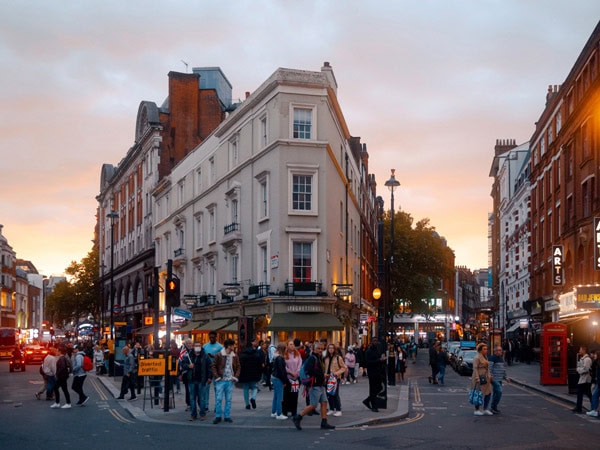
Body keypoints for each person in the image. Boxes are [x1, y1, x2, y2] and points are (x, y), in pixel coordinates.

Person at [292, 341, 335, 430]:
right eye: (318, 349)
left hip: (320, 384)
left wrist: (323, 375)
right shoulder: (312, 358)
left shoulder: (320, 358)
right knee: (313, 405)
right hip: (314, 385)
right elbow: (308, 370)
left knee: (324, 403)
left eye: (321, 349)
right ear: (314, 349)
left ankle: (324, 422)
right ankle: (298, 417)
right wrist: (321, 375)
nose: (320, 350)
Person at [211, 338, 240, 424]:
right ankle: (218, 416)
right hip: (221, 380)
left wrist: (235, 377)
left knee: (228, 399)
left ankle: (227, 416)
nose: (233, 347)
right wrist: (217, 377)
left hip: (229, 380)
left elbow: (238, 366)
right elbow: (213, 366)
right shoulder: (219, 355)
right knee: (219, 399)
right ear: (229, 346)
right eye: (232, 345)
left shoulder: (234, 356)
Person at [184, 341, 212, 421]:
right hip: (192, 380)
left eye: (199, 345)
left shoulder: (205, 356)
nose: (197, 347)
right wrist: (188, 366)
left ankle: (202, 414)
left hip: (201, 380)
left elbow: (209, 367)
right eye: (196, 345)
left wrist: (209, 377)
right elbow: (183, 364)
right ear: (193, 346)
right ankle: (193, 415)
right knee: (192, 398)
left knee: (202, 398)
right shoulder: (189, 355)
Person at [362, 337, 386, 412]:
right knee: (372, 389)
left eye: (376, 341)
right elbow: (368, 363)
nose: (376, 342)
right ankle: (374, 406)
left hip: (378, 372)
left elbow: (379, 359)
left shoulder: (377, 350)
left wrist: (382, 360)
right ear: (371, 342)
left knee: (379, 388)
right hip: (372, 372)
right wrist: (379, 360)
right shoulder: (368, 351)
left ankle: (367, 400)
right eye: (374, 341)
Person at [239, 339, 263, 410]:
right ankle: (253, 397)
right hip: (254, 373)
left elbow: (240, 364)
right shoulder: (256, 353)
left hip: (244, 373)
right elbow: (259, 364)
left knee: (245, 389)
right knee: (254, 387)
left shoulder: (243, 354)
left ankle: (247, 404)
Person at [203, 331, 224, 412]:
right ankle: (205, 405)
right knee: (206, 388)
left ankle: (217, 406)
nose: (211, 339)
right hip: (208, 369)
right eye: (210, 337)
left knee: (217, 388)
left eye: (213, 337)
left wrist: (214, 356)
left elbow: (223, 358)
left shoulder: (220, 346)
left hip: (216, 369)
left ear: (216, 337)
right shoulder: (205, 346)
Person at [324, 343, 347, 416]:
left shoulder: (338, 358)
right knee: (328, 394)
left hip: (335, 378)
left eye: (332, 348)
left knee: (335, 394)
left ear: (334, 349)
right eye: (329, 348)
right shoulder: (326, 358)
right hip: (327, 378)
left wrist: (336, 373)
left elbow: (344, 367)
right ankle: (331, 409)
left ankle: (338, 409)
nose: (331, 349)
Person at [471, 343, 493, 416]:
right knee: (478, 393)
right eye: (484, 349)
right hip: (479, 377)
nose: (486, 350)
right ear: (480, 350)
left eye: (486, 349)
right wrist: (477, 377)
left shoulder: (485, 357)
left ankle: (485, 409)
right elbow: (475, 368)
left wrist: (489, 375)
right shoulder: (477, 358)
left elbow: (487, 367)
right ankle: (476, 409)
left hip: (486, 377)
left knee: (488, 392)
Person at [282, 339, 302, 417]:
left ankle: (294, 411)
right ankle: (285, 411)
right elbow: (284, 366)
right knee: (287, 395)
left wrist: (297, 372)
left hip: (296, 378)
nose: (292, 346)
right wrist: (290, 372)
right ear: (287, 346)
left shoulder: (297, 354)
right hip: (288, 377)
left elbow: (300, 363)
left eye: (293, 344)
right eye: (290, 344)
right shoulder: (284, 354)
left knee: (295, 394)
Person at [270, 342, 288, 420]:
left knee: (276, 396)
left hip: (274, 377)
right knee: (280, 396)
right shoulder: (280, 358)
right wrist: (284, 381)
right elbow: (282, 371)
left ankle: (274, 412)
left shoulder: (276, 357)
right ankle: (279, 413)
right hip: (278, 378)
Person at [573, 345, 593, 414]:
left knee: (587, 394)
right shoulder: (582, 358)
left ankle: (593, 408)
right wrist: (579, 369)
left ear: (584, 350)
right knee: (581, 394)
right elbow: (578, 367)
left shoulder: (587, 359)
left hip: (585, 380)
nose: (579, 351)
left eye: (580, 349)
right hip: (582, 379)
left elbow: (585, 369)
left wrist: (579, 370)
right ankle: (578, 408)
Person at [51, 345, 72, 409]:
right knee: (57, 388)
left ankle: (67, 403)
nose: (56, 352)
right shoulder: (63, 358)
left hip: (62, 376)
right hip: (63, 376)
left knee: (63, 389)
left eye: (57, 351)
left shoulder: (62, 358)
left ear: (60, 352)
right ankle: (58, 403)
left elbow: (62, 367)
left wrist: (57, 374)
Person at [488, 345, 507, 414]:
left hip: (500, 379)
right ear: (495, 351)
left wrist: (506, 377)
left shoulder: (501, 359)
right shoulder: (492, 358)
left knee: (496, 393)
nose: (500, 352)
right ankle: (493, 406)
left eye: (501, 350)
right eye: (498, 350)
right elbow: (489, 368)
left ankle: (494, 407)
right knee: (499, 391)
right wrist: (491, 376)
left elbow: (503, 369)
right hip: (494, 379)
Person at [586, 350, 600, 417]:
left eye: (595, 354)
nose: (594, 355)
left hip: (599, 383)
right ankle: (594, 410)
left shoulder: (598, 363)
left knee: (594, 396)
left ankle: (594, 410)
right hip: (597, 382)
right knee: (595, 396)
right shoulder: (597, 363)